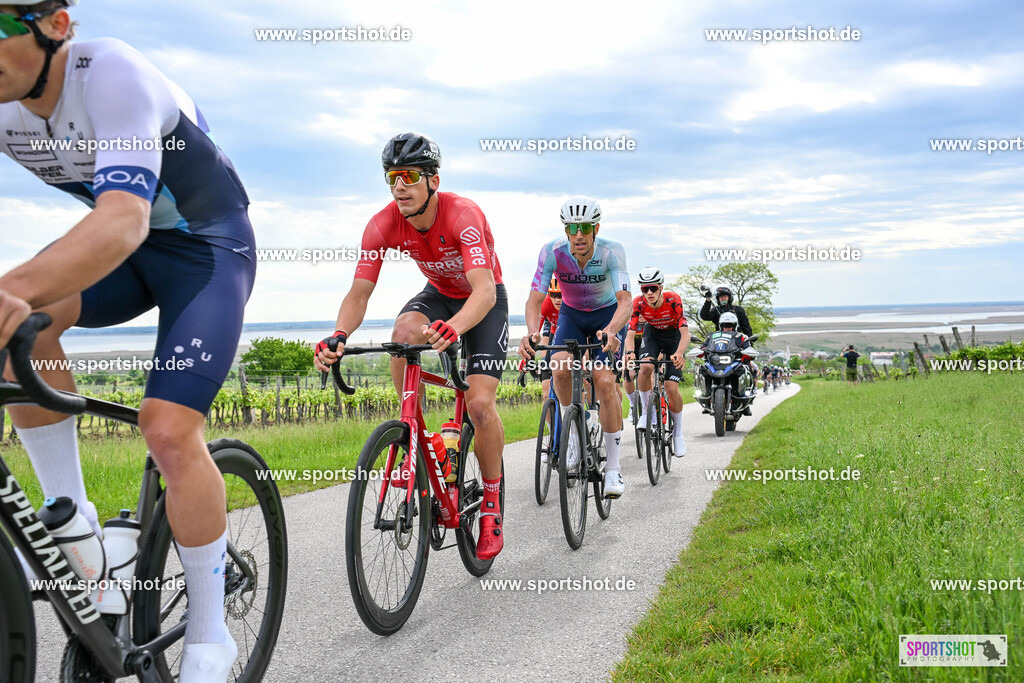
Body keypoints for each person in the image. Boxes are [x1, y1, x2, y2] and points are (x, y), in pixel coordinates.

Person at [0, 3, 256, 679]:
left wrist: (13, 285)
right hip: (129, 257)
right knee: (19, 333)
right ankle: (76, 529)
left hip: (205, 249)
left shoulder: (109, 73)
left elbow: (122, 220)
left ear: (52, 25)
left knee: (168, 430)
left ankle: (210, 634)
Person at [314, 133, 509, 561]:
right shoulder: (383, 223)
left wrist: (454, 328)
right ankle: (416, 438)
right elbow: (359, 292)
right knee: (402, 335)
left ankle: (491, 504)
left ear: (433, 181)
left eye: (408, 176)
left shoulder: (463, 215)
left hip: (483, 300)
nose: (398, 186)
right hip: (438, 293)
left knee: (478, 405)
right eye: (391, 177)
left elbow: (483, 292)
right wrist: (339, 335)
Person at [519, 196, 631, 498]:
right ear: (566, 230)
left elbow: (626, 303)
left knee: (605, 380)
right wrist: (532, 333)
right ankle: (569, 438)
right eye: (571, 228)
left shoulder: (612, 252)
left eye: (583, 228)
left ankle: (613, 470)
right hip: (571, 316)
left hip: (606, 316)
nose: (578, 235)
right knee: (560, 368)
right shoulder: (552, 252)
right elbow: (534, 299)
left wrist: (610, 330)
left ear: (595, 228)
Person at [623, 267, 689, 456]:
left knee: (671, 388)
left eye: (652, 288)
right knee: (645, 368)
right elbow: (630, 334)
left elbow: (685, 333)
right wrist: (629, 352)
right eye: (645, 289)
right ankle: (647, 413)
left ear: (660, 287)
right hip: (653, 336)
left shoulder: (673, 299)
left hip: (673, 338)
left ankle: (677, 434)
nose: (649, 293)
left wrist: (680, 353)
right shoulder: (638, 303)